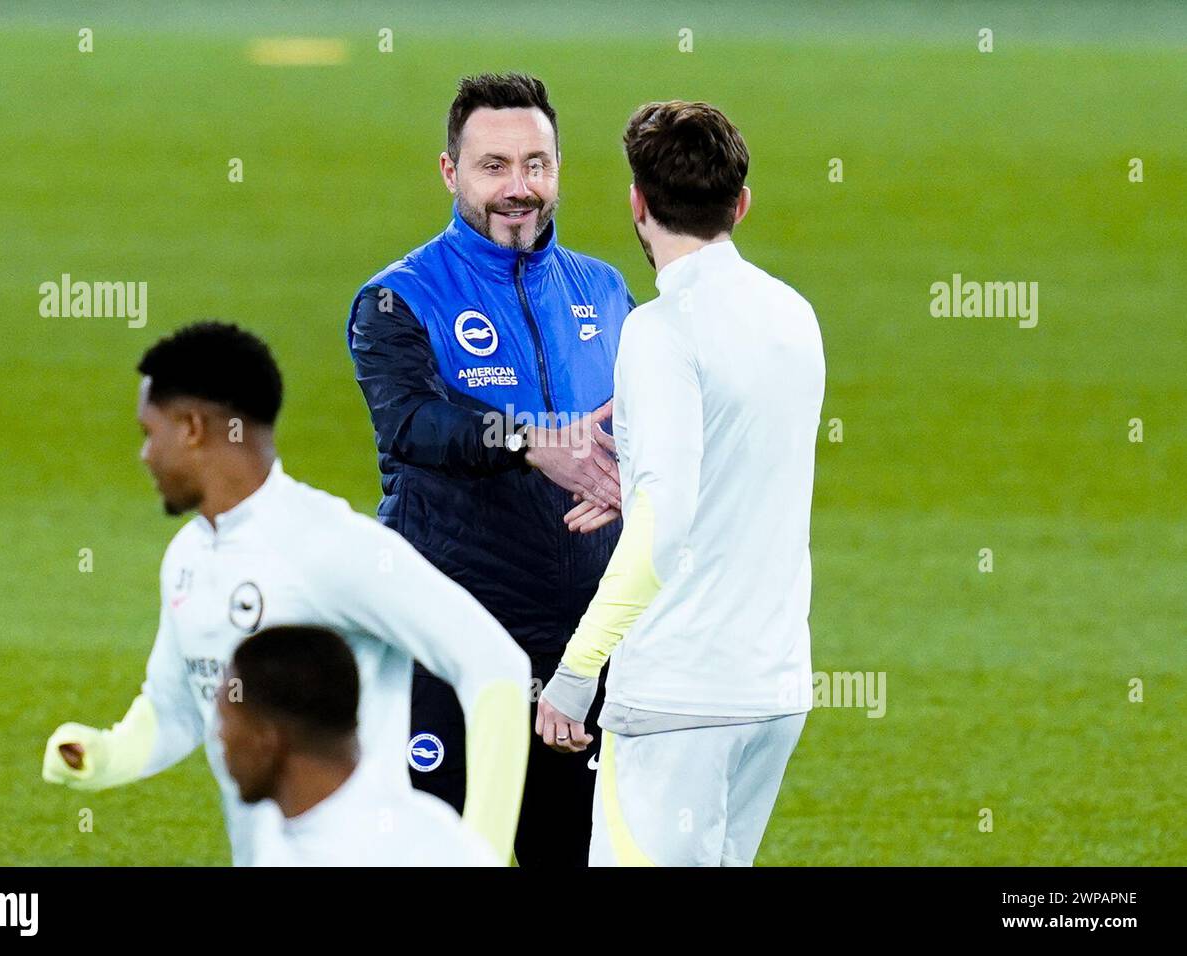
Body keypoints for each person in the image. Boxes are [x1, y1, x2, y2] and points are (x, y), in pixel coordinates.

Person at [41, 321, 530, 865]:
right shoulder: (188, 556)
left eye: (148, 433)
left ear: (194, 429)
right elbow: (180, 707)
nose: (145, 455)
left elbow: (496, 664)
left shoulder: (330, 545)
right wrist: (102, 755)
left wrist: (478, 851)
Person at [347, 73, 635, 866]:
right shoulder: (397, 299)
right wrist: (531, 438)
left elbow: (652, 434)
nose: (520, 188)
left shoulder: (607, 293)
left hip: (578, 655)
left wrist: (630, 481)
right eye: (495, 166)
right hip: (447, 646)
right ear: (451, 172)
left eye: (536, 165)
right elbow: (411, 422)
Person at [537, 101, 825, 866]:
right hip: (773, 689)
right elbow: (744, 463)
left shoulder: (659, 332)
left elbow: (664, 528)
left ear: (638, 203)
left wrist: (574, 673)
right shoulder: (795, 316)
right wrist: (640, 473)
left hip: (679, 697)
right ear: (741, 204)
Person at [218, 624, 498, 866]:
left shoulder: (424, 849)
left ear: (268, 740)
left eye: (226, 721)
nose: (220, 738)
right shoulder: (275, 839)